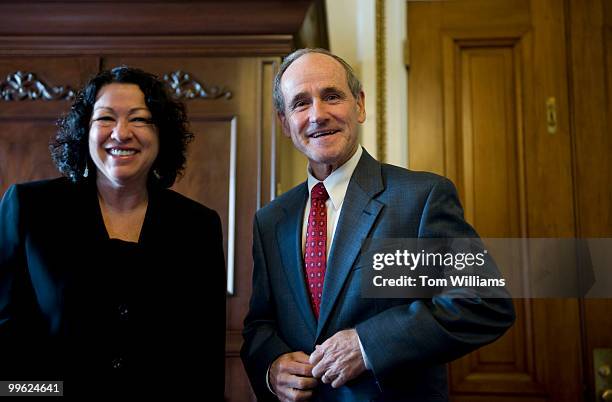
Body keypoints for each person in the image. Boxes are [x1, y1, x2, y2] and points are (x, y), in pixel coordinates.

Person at [241, 48, 515, 402]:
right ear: (284, 123)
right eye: (300, 103)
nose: (317, 115)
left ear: (359, 105)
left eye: (331, 96)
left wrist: (368, 344)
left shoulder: (422, 197)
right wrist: (271, 367)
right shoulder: (270, 220)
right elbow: (260, 324)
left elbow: (484, 302)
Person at [0, 66, 226, 397]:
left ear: (161, 134)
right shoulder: (29, 209)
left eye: (139, 119)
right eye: (105, 118)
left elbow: (203, 362)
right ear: (84, 132)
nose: (121, 133)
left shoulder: (197, 226)